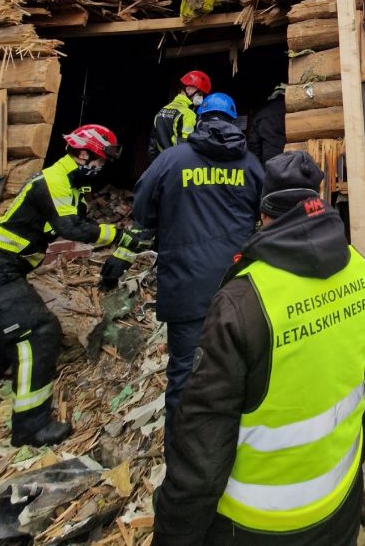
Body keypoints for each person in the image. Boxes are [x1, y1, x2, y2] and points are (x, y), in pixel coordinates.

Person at [153, 151, 365, 546]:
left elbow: (202, 454)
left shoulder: (242, 302)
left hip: (256, 529)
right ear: (319, 201)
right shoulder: (360, 270)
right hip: (342, 506)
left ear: (264, 214)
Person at [101, 93, 263, 446]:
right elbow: (263, 213)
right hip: (239, 286)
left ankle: (183, 458)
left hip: (185, 285)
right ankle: (233, 446)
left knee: (185, 374)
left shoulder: (172, 160)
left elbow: (142, 210)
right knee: (241, 368)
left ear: (200, 119)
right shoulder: (250, 164)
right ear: (233, 121)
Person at [0, 125, 150, 447]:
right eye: (99, 160)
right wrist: (119, 236)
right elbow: (71, 228)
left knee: (4, 331)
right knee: (38, 330)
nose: (101, 167)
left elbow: (79, 222)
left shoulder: (70, 184)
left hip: (8, 268)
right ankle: (31, 427)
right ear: (83, 154)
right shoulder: (54, 180)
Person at [147, 70, 212, 163]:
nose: (201, 98)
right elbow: (185, 148)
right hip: (177, 165)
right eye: (200, 94)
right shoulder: (188, 114)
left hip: (161, 164)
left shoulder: (162, 111)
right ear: (188, 89)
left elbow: (152, 147)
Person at [247, 87, 285, 165]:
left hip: (269, 163)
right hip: (292, 162)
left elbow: (253, 145)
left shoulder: (261, 113)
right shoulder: (294, 111)